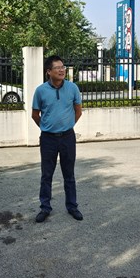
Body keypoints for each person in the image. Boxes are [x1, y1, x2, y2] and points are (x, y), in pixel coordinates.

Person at [32, 55, 83, 223]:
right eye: (57, 68)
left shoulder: (72, 88)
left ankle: (72, 206)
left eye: (63, 67)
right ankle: (45, 208)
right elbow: (35, 114)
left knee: (69, 174)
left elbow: (78, 111)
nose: (62, 70)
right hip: (48, 139)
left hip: (68, 137)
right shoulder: (40, 91)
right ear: (49, 71)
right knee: (46, 175)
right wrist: (46, 127)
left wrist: (67, 125)